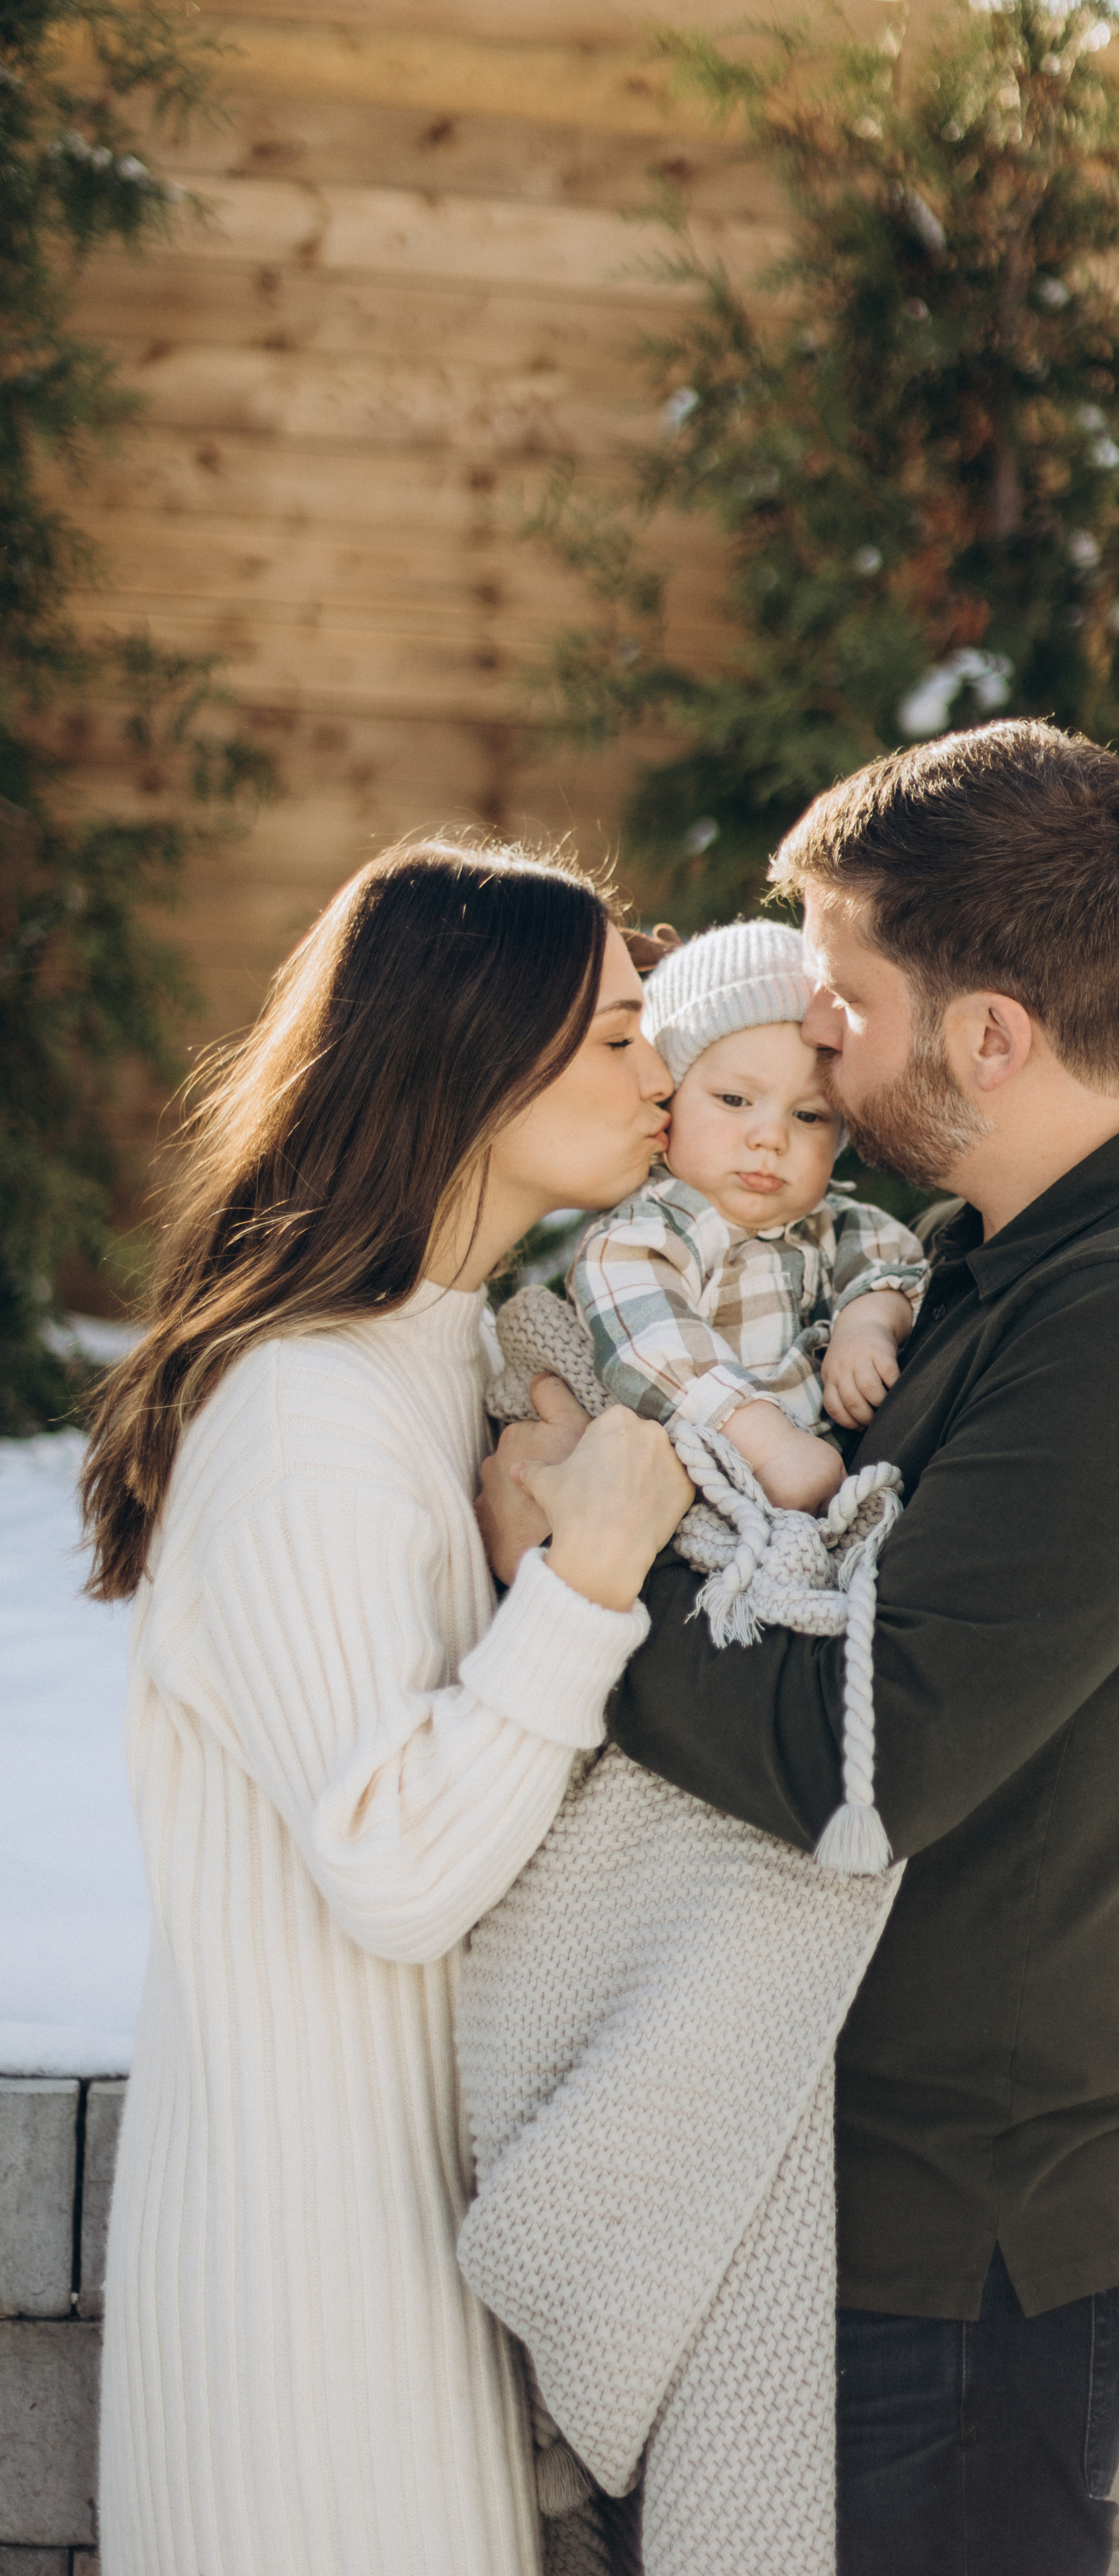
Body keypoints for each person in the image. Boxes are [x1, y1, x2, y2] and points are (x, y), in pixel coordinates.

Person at [480, 721, 1119, 2576]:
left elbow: (861, 1767)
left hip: (966, 2266)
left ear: (991, 1035)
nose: (807, 1038)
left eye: (842, 999)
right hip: (841, 2211)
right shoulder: (968, 1261)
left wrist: (579, 1568)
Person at [79, 839, 692, 2576]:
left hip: (415, 2259)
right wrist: (585, 1584)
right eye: (616, 1039)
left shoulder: (437, 1354)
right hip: (308, 2330)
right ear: (471, 1059)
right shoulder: (304, 1425)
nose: (662, 1079)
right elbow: (399, 1865)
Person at [492, 916, 926, 1515]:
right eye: (734, 1101)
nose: (770, 1137)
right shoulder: (651, 1229)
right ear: (668, 1096)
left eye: (809, 1117)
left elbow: (893, 1259)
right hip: (690, 1484)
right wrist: (767, 1442)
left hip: (808, 1490)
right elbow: (651, 1339)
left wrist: (867, 1325)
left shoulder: (833, 1224)